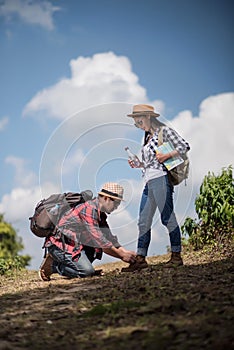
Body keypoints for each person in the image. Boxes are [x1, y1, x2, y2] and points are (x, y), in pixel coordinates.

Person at [122, 104, 190, 272]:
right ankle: (141, 258)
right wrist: (139, 164)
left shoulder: (164, 131)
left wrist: (167, 155)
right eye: (136, 123)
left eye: (139, 120)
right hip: (148, 181)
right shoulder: (146, 137)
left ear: (148, 117)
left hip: (161, 179)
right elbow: (149, 162)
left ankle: (176, 255)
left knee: (167, 217)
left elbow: (184, 146)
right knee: (143, 221)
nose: (138, 124)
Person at [39, 182, 136, 281]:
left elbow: (108, 237)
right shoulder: (89, 209)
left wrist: (126, 252)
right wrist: (122, 256)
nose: (117, 207)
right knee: (86, 272)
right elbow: (101, 242)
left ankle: (77, 266)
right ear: (107, 199)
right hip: (59, 245)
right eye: (116, 203)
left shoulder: (100, 214)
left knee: (94, 252)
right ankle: (53, 266)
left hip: (74, 245)